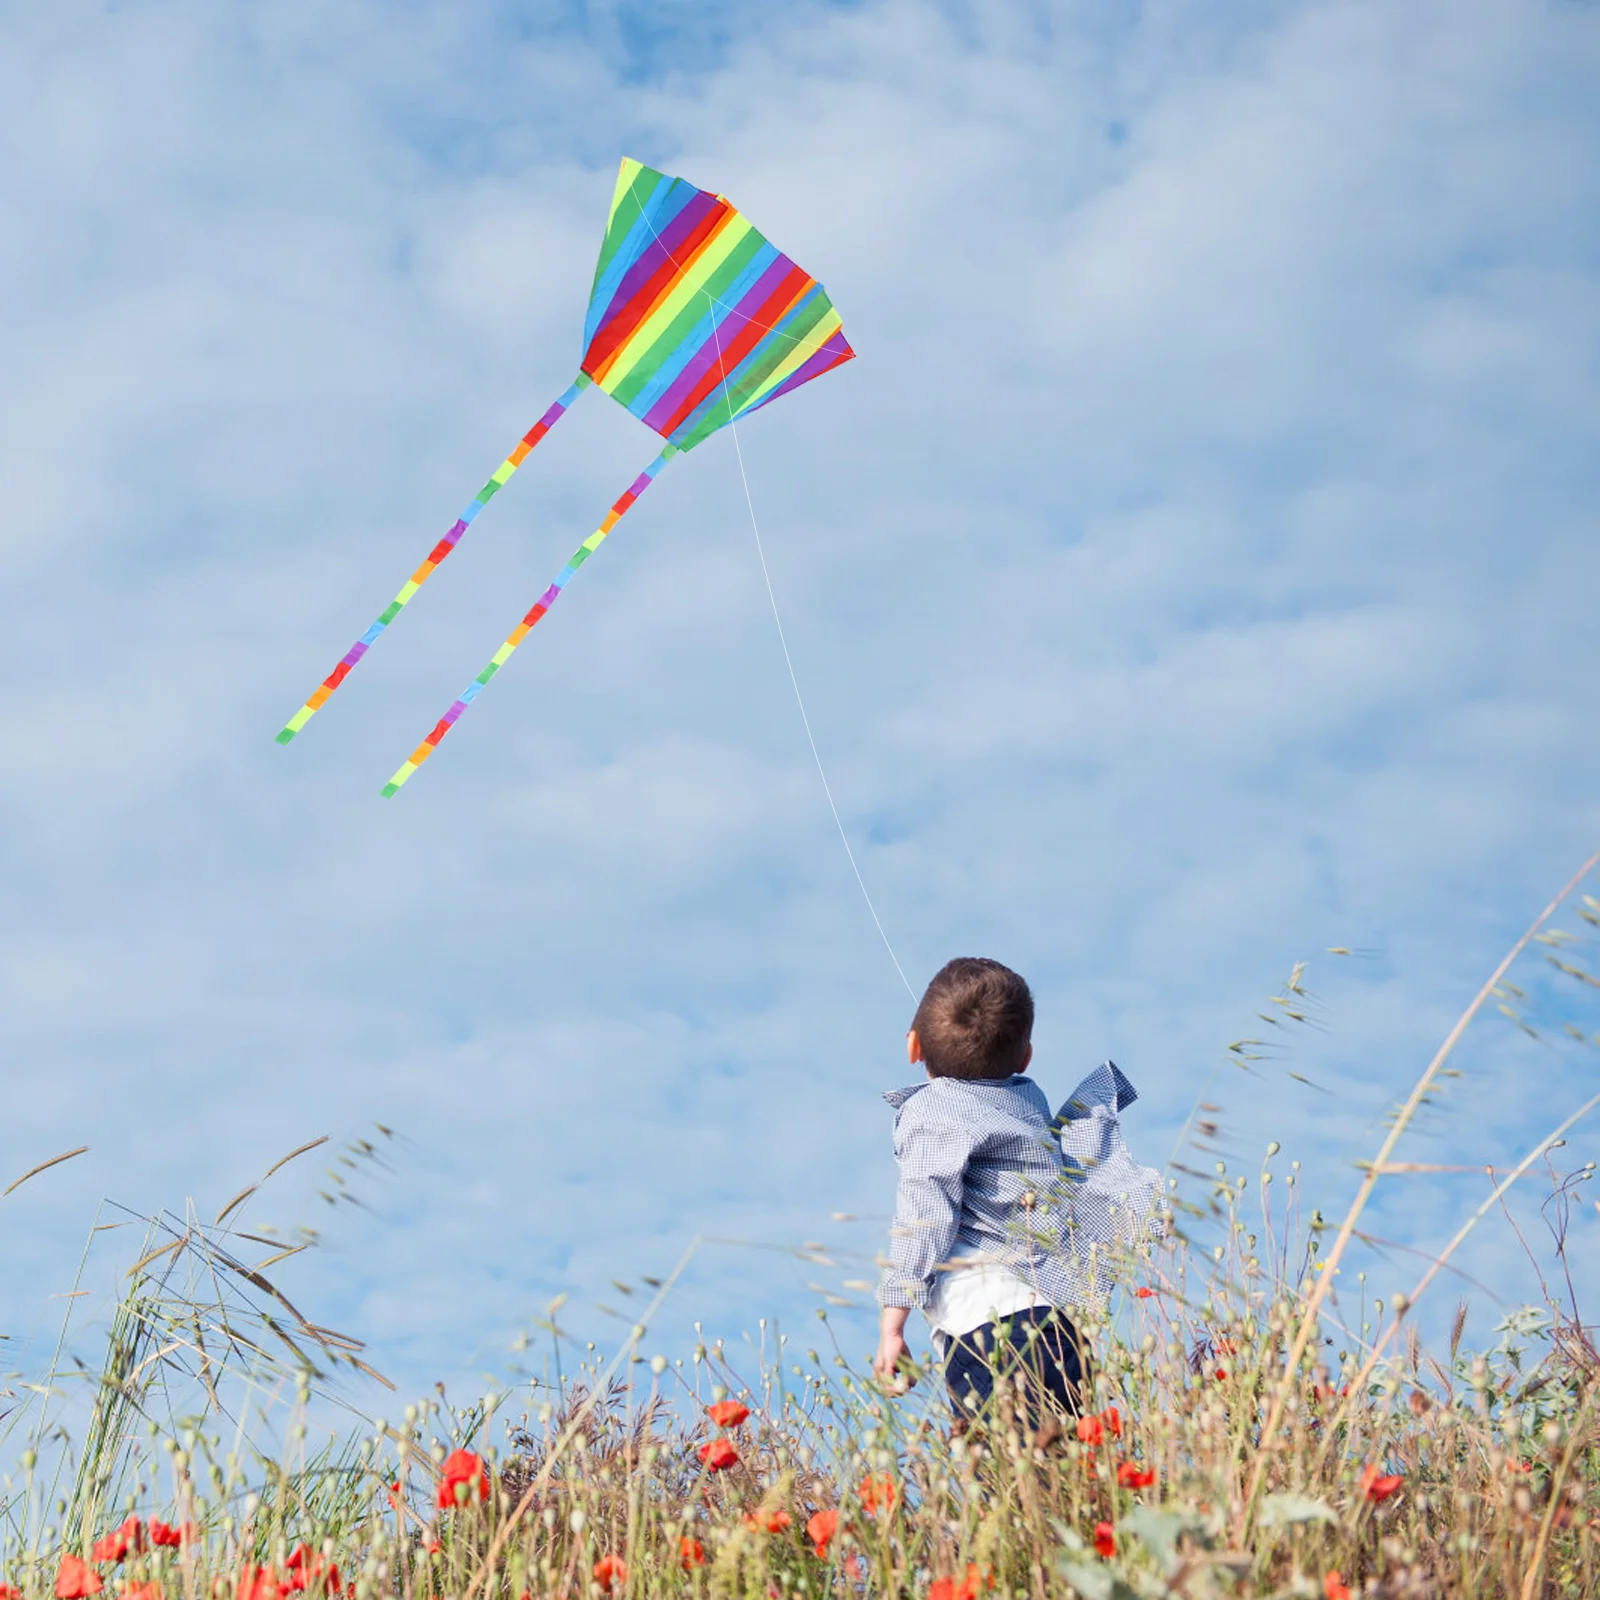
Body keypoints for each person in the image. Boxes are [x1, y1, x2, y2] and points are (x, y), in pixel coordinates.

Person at [873, 957, 1161, 1426]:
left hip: (991, 1331)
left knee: (1006, 1480)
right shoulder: (1026, 1105)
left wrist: (893, 1322)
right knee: (1061, 1476)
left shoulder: (933, 1113)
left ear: (913, 1046)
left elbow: (925, 1217)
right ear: (1025, 1057)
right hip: (1062, 1330)